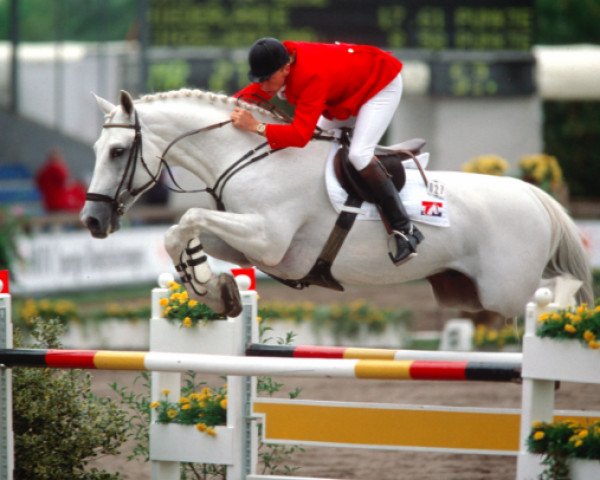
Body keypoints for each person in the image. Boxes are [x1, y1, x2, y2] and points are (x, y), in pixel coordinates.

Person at [231, 38, 423, 265]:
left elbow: (300, 136)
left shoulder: (310, 76)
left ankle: (405, 230)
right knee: (315, 147)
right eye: (259, 79)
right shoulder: (279, 58)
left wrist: (256, 126)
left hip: (380, 84)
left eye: (267, 79)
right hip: (349, 89)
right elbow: (251, 95)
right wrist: (222, 108)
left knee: (358, 154)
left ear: (286, 68)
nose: (263, 85)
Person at [35, 148, 87, 213]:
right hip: (59, 203)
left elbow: (38, 183)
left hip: (48, 204)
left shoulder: (43, 170)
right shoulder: (56, 168)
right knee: (80, 192)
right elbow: (67, 182)